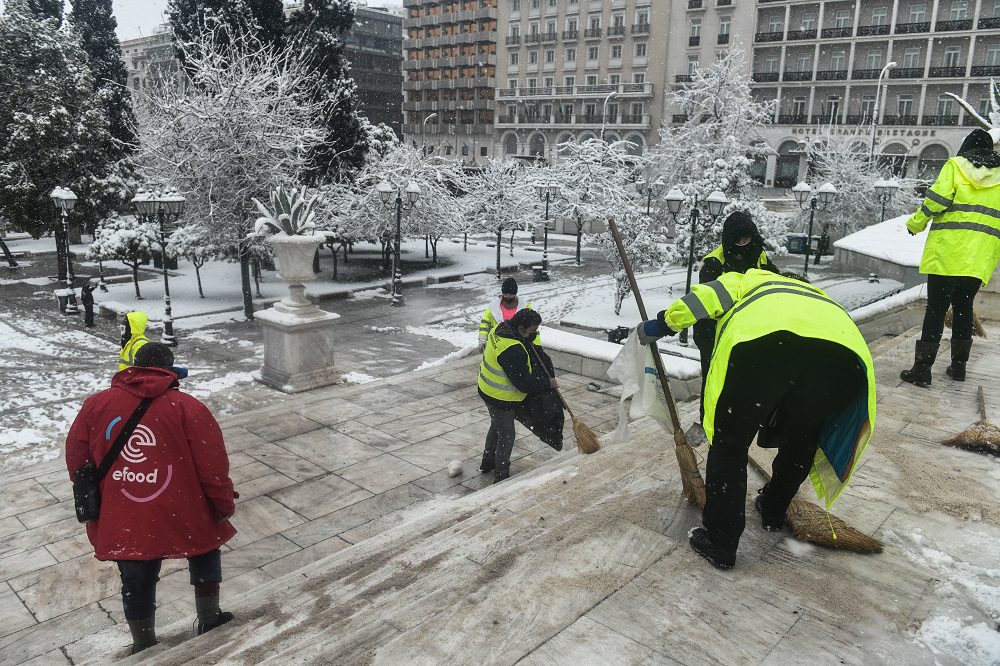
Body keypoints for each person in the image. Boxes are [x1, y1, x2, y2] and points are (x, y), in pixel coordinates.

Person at [637, 269, 875, 569]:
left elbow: (704, 299)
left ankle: (721, 543)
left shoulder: (747, 279)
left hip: (765, 346)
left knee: (730, 445)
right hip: (840, 359)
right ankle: (774, 510)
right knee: (802, 438)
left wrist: (663, 323)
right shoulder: (820, 297)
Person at [66, 343, 237, 654]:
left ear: (134, 368)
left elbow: (77, 460)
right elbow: (213, 467)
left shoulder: (97, 405)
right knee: (204, 548)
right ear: (170, 370)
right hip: (184, 506)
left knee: (136, 576)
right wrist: (223, 505)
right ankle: (210, 617)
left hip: (125, 512)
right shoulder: (189, 408)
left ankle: (144, 644)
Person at [901, 128, 1000, 387]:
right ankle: (959, 367)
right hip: (978, 258)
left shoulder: (955, 166)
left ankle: (922, 369)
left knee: (936, 308)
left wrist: (916, 223)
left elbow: (936, 200)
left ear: (966, 147)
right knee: (964, 308)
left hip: (947, 253)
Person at [690, 212, 779, 440]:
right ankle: (709, 423)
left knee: (742, 379)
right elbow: (709, 301)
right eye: (737, 240)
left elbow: (774, 281)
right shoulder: (713, 264)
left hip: (747, 330)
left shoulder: (759, 257)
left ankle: (737, 421)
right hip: (712, 332)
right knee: (712, 379)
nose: (742, 245)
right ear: (729, 239)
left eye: (746, 239)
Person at [478, 309, 564, 482]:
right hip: (500, 397)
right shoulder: (513, 350)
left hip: (486, 389)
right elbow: (524, 384)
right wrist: (548, 383)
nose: (534, 334)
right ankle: (501, 475)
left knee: (497, 426)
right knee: (507, 434)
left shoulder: (501, 328)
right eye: (531, 330)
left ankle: (487, 461)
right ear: (520, 328)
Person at [478, 277, 534, 351]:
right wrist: (482, 341)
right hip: (497, 346)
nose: (507, 296)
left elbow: (533, 329)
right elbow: (484, 325)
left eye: (511, 294)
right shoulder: (493, 307)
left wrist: (535, 345)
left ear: (515, 293)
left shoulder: (525, 307)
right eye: (505, 293)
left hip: (519, 347)